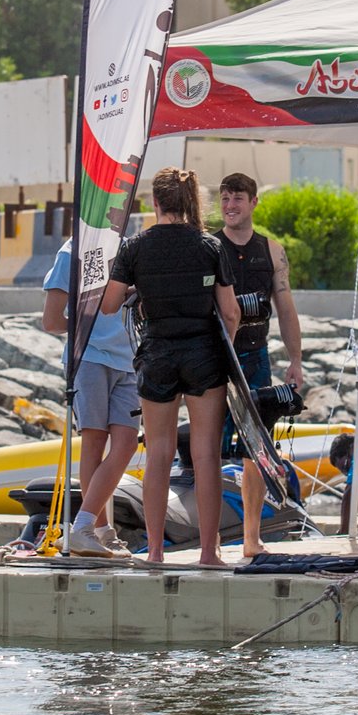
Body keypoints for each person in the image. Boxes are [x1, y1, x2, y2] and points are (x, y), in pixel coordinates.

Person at [101, 167, 239, 567]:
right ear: (191, 202)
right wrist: (223, 347)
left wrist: (138, 287)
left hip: (158, 355)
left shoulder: (135, 248)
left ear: (155, 203)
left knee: (159, 453)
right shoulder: (210, 246)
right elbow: (230, 312)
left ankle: (157, 551)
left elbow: (109, 306)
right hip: (203, 356)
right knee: (206, 454)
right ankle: (210, 553)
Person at [215, 173, 305, 558]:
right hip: (216, 359)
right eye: (225, 199)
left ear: (253, 203)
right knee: (210, 449)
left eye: (238, 198)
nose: (230, 206)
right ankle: (212, 540)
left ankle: (251, 538)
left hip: (255, 358)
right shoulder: (209, 246)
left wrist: (296, 360)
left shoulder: (271, 250)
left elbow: (285, 307)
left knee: (257, 449)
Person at [41, 239, 137, 557]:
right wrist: (91, 329)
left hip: (129, 361)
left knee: (125, 444)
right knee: (94, 445)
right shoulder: (72, 250)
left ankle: (90, 528)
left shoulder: (127, 246)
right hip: (90, 358)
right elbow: (52, 320)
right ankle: (97, 531)